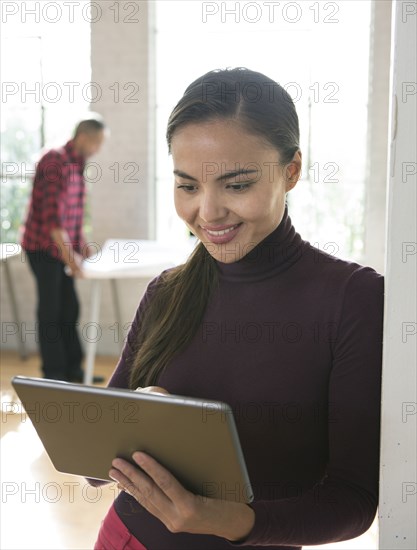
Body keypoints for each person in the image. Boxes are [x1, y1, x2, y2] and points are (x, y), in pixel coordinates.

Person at [91, 68, 384, 549]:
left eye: (237, 185)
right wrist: (138, 418)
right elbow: (97, 467)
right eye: (187, 186)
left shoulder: (354, 300)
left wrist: (227, 520)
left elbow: (352, 503)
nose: (207, 213)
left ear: (292, 170)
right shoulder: (167, 291)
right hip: (126, 537)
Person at [21, 116, 107, 383]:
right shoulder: (54, 161)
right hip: (43, 248)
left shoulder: (77, 164)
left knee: (70, 308)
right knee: (51, 310)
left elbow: (74, 216)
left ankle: (74, 370)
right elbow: (53, 220)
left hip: (61, 247)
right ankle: (54, 373)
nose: (98, 149)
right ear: (83, 137)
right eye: (97, 143)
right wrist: (72, 258)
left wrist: (83, 246)